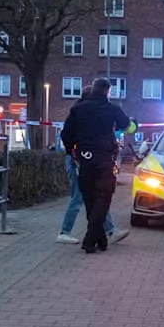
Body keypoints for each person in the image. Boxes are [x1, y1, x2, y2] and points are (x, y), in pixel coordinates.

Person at [60, 78, 135, 253]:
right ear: (108, 91)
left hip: (84, 160)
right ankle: (89, 240)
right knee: (103, 199)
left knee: (90, 200)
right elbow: (127, 127)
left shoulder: (78, 109)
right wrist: (134, 125)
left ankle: (101, 240)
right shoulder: (112, 109)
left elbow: (65, 133)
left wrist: (71, 151)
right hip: (105, 160)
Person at [56, 85, 117, 244]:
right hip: (79, 160)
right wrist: (73, 152)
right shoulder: (83, 113)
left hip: (80, 158)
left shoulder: (79, 111)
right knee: (79, 196)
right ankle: (65, 231)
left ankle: (110, 230)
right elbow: (68, 135)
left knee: (97, 196)